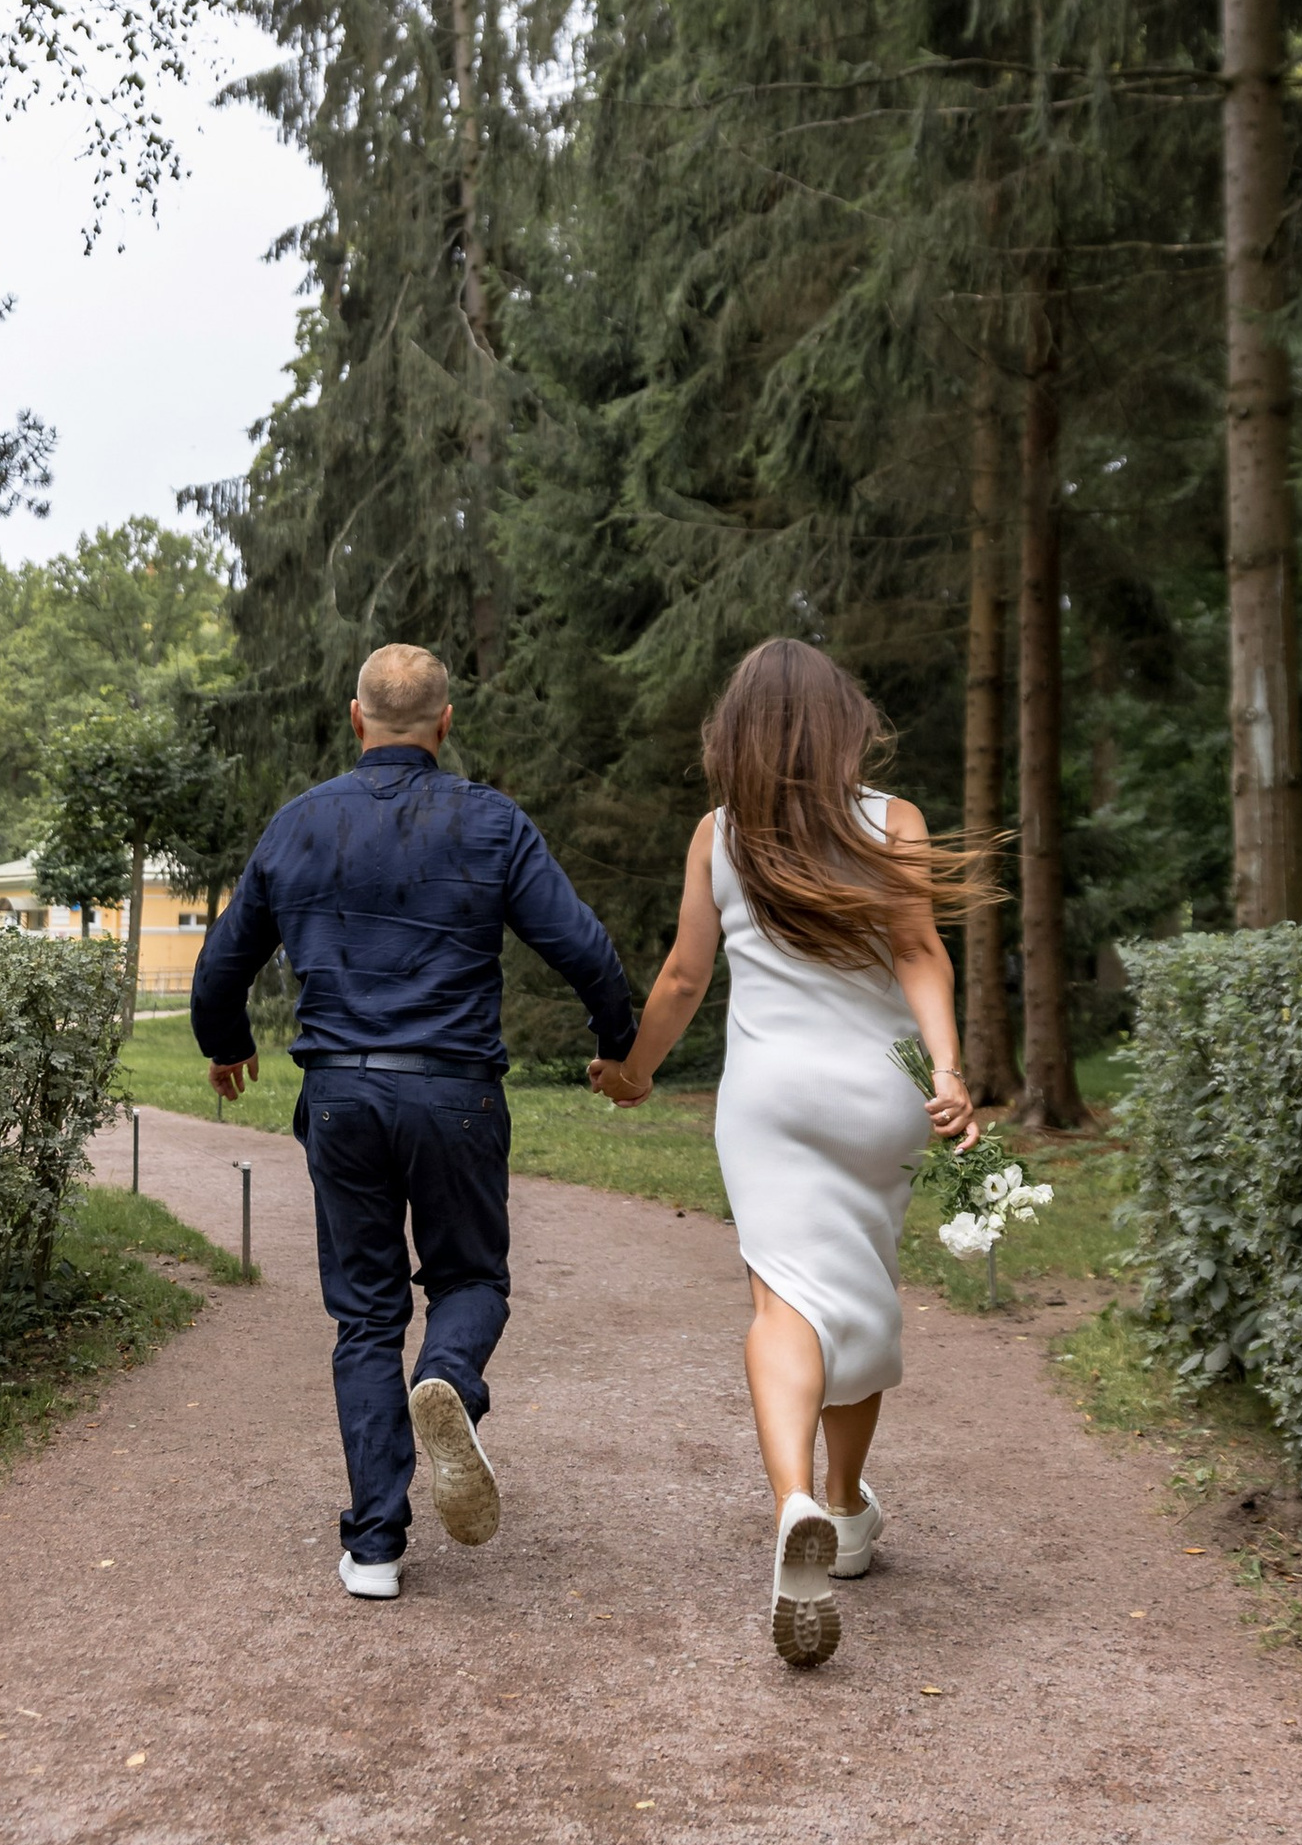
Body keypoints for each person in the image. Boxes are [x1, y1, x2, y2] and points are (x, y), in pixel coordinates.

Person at [191, 644, 637, 1601]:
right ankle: (449, 1381)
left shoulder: (300, 824)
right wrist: (617, 1046)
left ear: (356, 720)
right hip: (457, 1095)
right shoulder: (491, 823)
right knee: (471, 1277)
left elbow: (222, 962)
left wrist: (224, 1045)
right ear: (443, 723)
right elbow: (583, 946)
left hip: (343, 1096)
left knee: (363, 1315)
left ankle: (375, 1545)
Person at [589, 637, 986, 1668]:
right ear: (844, 725)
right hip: (879, 1098)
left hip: (769, 1102)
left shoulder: (718, 835)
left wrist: (634, 1072)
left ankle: (793, 1503)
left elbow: (682, 979)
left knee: (783, 1301)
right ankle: (847, 1513)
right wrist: (947, 1070)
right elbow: (919, 954)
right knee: (857, 1287)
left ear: (738, 738)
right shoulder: (891, 821)